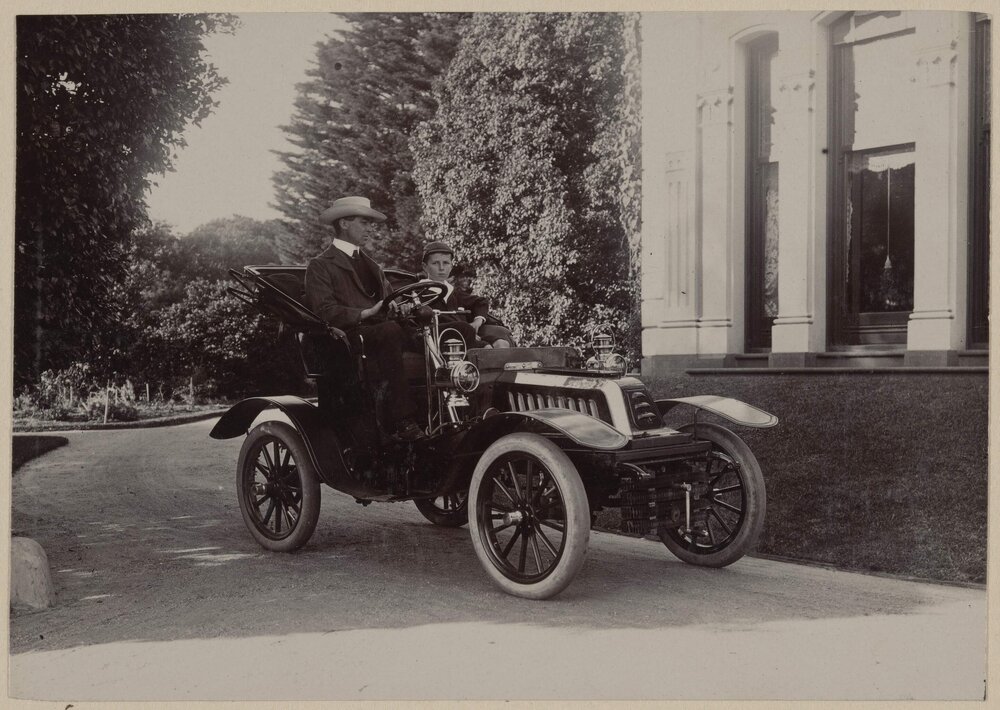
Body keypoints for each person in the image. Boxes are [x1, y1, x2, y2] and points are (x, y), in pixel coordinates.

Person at [304, 196, 424, 441]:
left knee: (454, 331)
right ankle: (403, 420)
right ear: (344, 223)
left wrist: (401, 308)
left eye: (370, 223)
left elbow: (391, 300)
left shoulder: (373, 266)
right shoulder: (320, 266)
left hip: (384, 331)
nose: (370, 228)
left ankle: (461, 411)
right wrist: (365, 313)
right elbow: (324, 311)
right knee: (389, 331)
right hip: (348, 339)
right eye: (364, 222)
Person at [420, 240, 514, 349]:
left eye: (446, 263)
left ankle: (496, 363)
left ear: (451, 266)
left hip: (468, 335)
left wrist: (477, 322)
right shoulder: (418, 292)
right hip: (441, 338)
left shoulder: (454, 292)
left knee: (502, 344)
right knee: (485, 347)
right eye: (435, 263)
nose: (441, 268)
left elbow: (480, 302)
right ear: (425, 266)